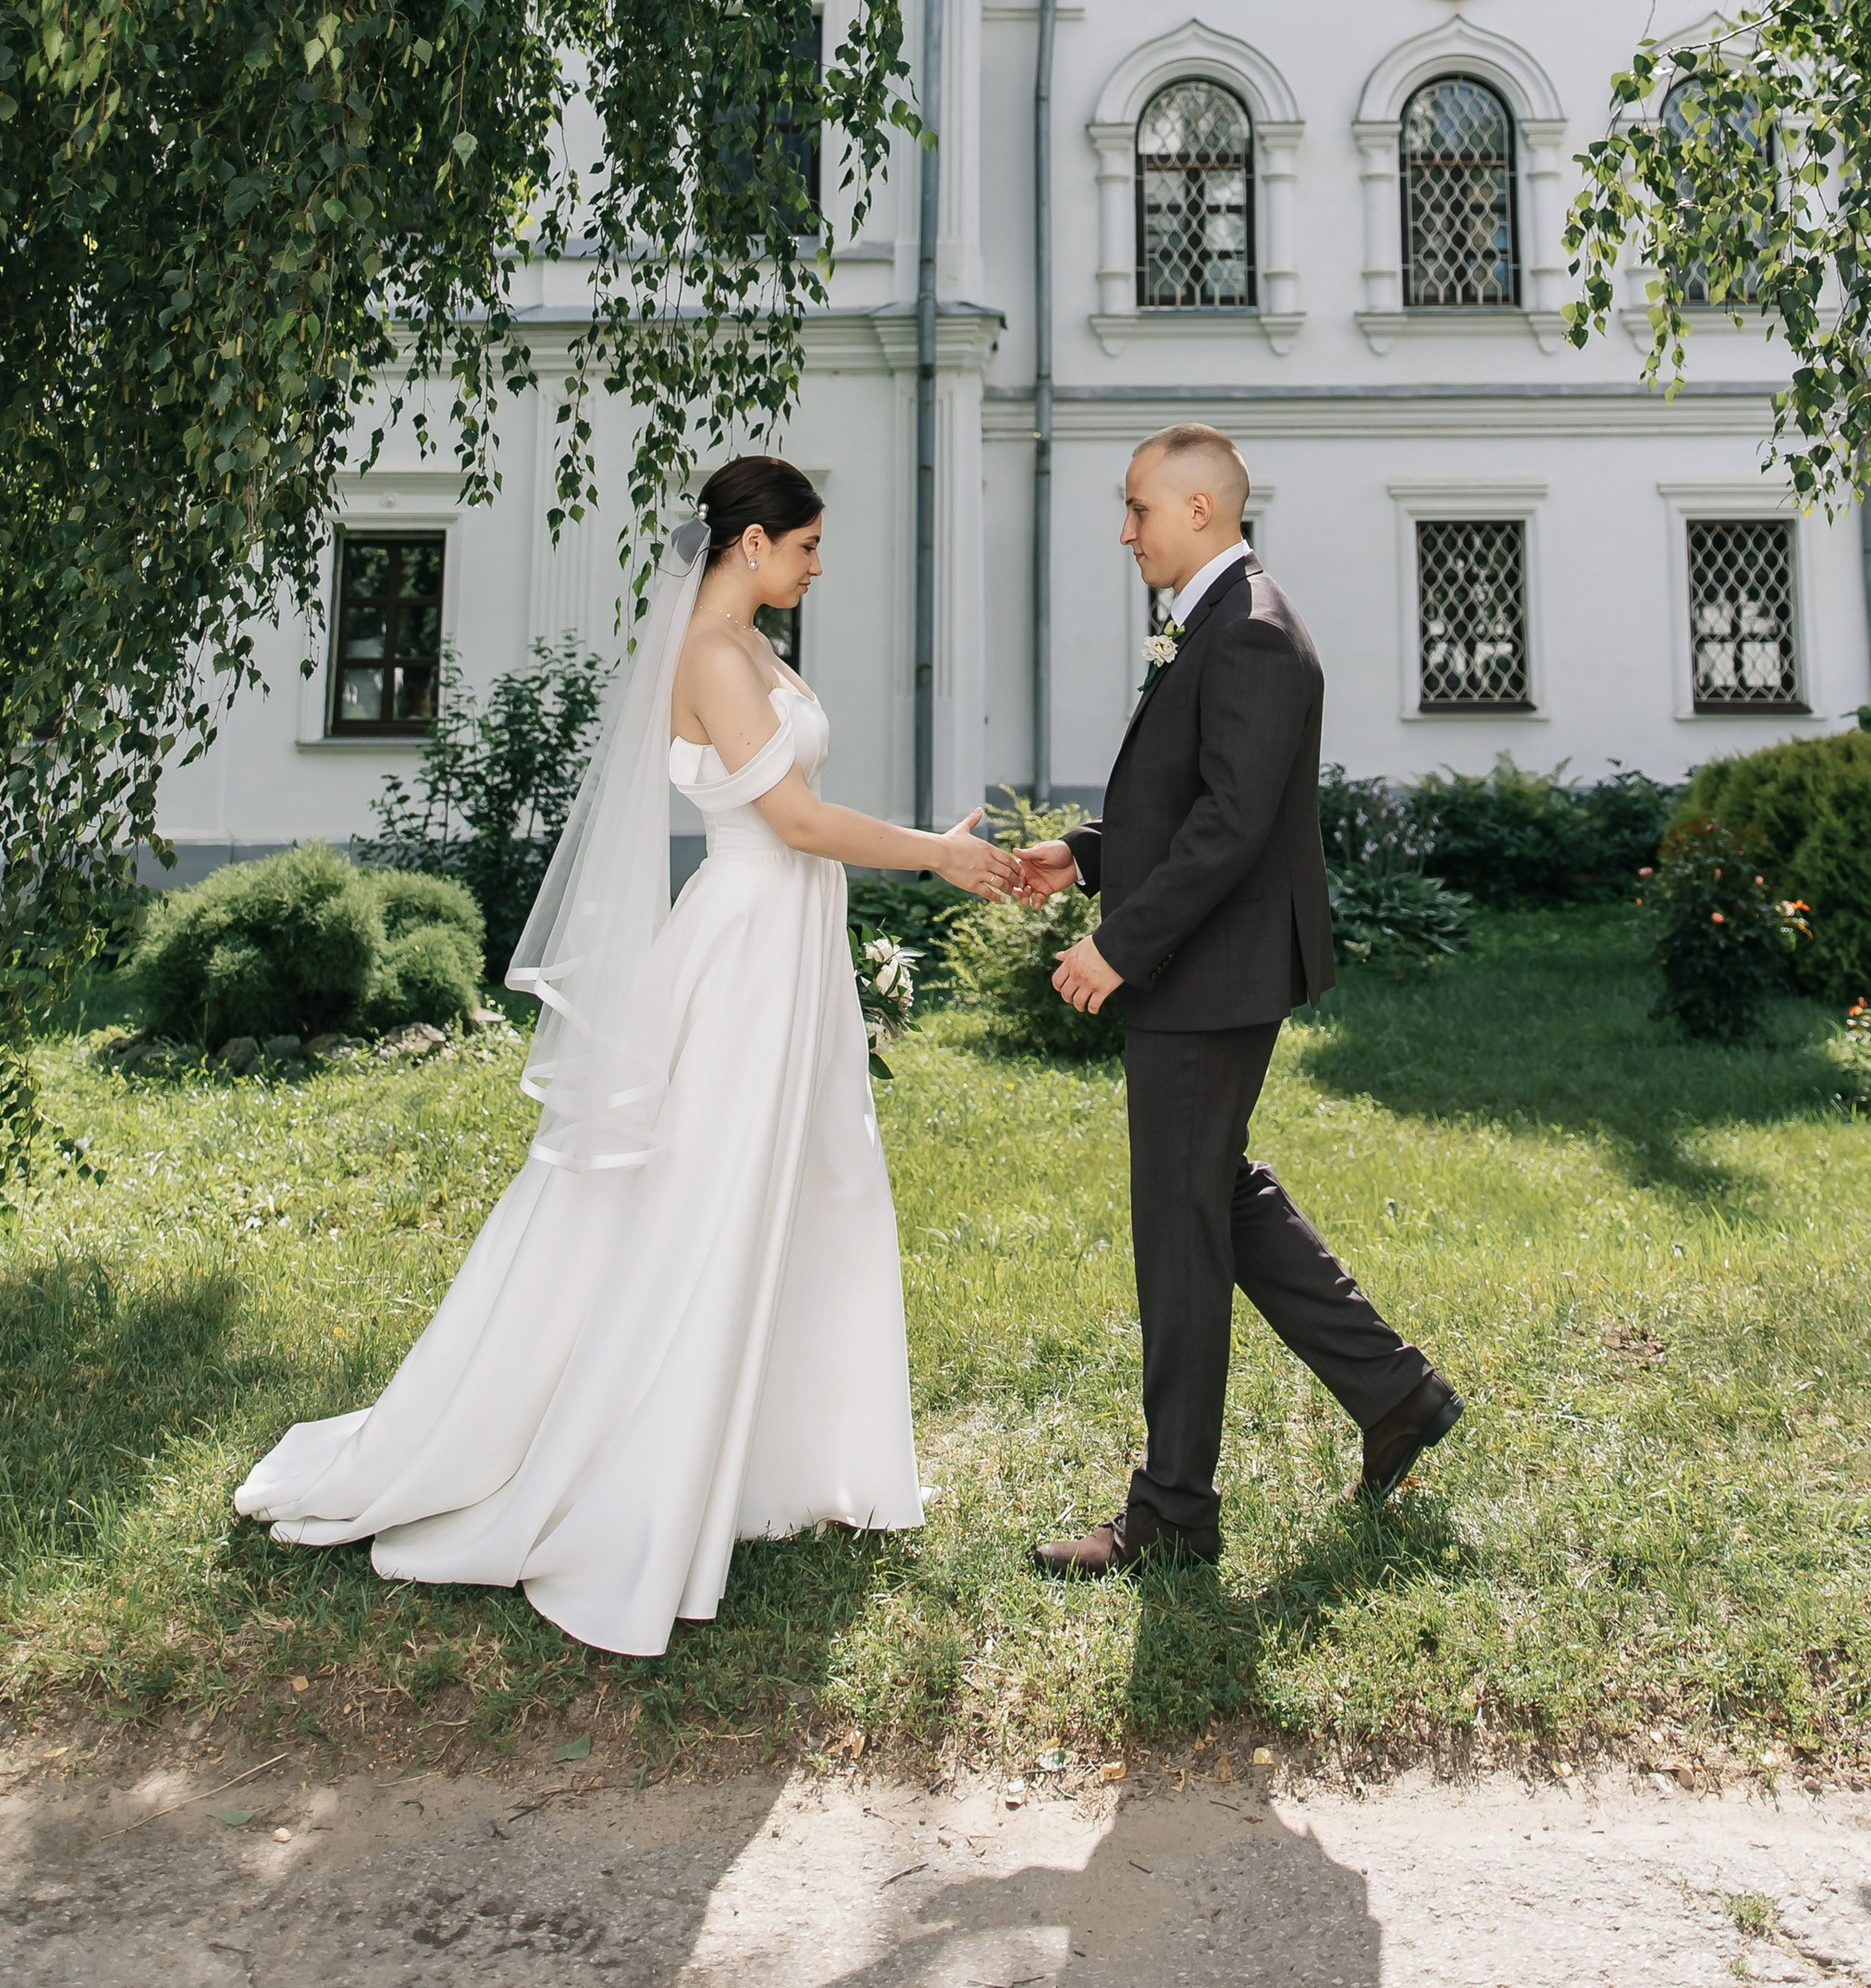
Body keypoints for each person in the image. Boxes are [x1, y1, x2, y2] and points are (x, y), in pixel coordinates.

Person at [234, 455, 1018, 1655]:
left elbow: (800, 811)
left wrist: (924, 849)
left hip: (784, 939)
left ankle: (787, 1453)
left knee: (813, 1184)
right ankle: (637, 1462)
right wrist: (940, 855)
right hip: (747, 943)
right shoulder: (711, 654)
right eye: (806, 544)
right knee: (703, 1198)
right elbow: (796, 822)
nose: (818, 564)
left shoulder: (746, 642)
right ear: (750, 544)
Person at [1019, 426, 1460, 1575]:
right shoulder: (1215, 621)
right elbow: (1187, 799)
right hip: (1207, 970)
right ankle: (1397, 1393)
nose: (1125, 531)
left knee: (1180, 1233)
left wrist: (1118, 946)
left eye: (1138, 510)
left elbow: (1229, 830)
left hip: (1206, 980)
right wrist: (1087, 852)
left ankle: (1173, 1510)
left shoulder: (1254, 632)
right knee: (1217, 1198)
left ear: (1201, 509)